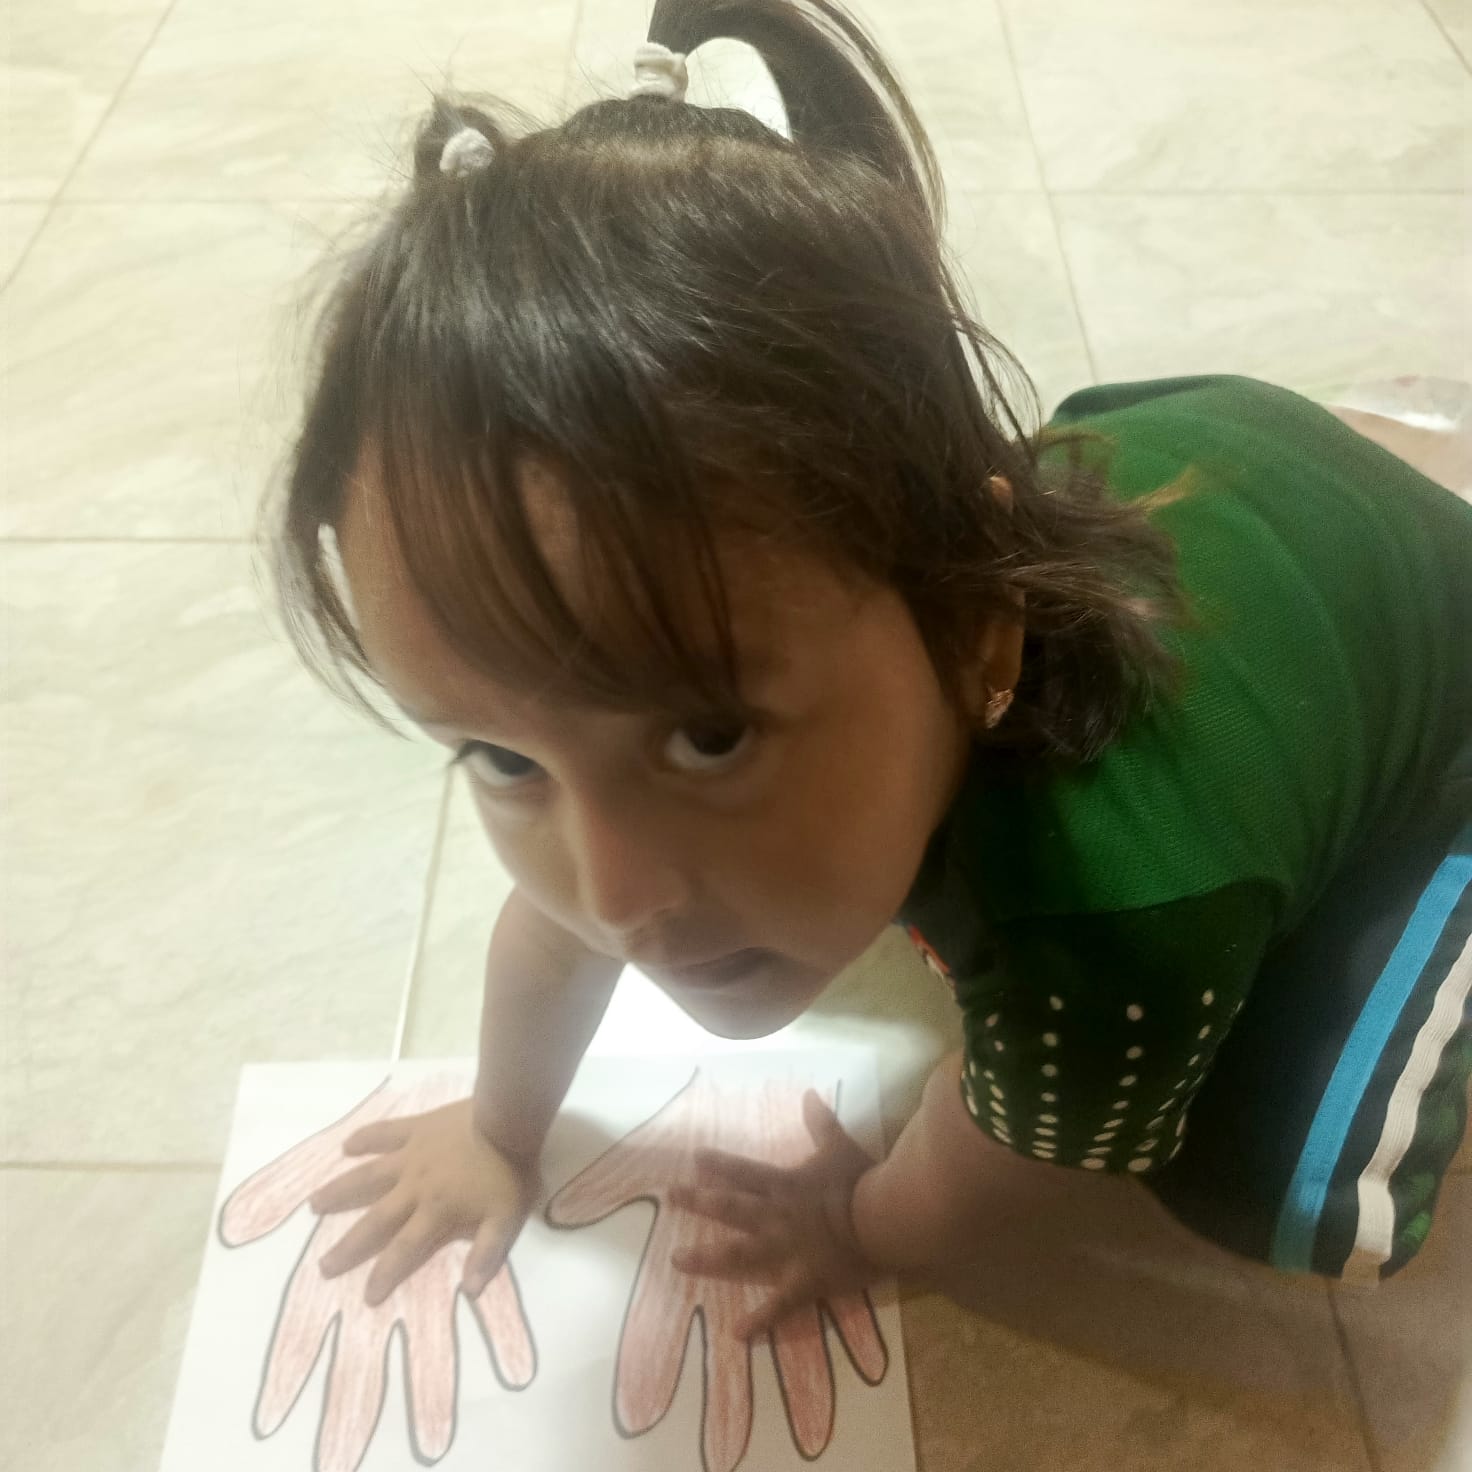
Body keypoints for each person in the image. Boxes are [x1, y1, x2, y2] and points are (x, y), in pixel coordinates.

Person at [269, 0, 1472, 1330]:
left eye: (711, 735)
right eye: (505, 759)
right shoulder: (637, 792)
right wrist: (497, 1131)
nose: (616, 895)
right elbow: (562, 927)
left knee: (1278, 1185)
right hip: (1221, 455)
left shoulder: (1116, 914)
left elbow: (1021, 1155)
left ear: (979, 632)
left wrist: (857, 1221)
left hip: (1446, 684)